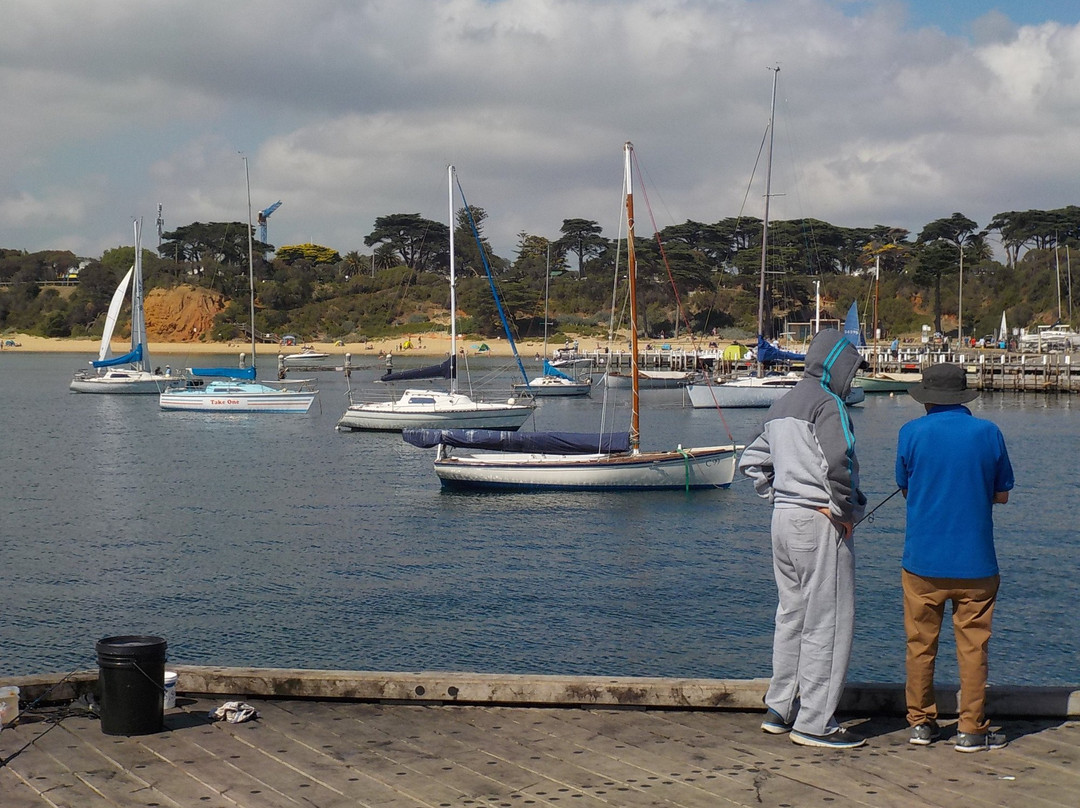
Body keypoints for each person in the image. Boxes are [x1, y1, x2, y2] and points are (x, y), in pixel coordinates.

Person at [739, 329, 869, 749]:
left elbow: (752, 461)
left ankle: (780, 707)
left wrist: (778, 495)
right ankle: (815, 723)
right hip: (818, 522)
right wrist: (845, 512)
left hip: (782, 520)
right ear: (837, 365)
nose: (852, 377)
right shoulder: (828, 404)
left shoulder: (783, 402)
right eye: (851, 369)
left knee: (791, 615)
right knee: (828, 622)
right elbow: (840, 462)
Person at [895, 363, 1014, 752]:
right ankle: (971, 729)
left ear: (927, 398)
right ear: (964, 397)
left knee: (920, 645)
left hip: (921, 561)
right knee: (974, 647)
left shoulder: (910, 432)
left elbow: (906, 488)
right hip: (976, 563)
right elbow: (1002, 495)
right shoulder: (988, 432)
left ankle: (921, 724)